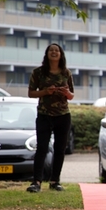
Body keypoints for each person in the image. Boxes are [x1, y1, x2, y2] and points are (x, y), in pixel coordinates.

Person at [27, 43, 74, 193]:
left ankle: (55, 181)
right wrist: (46, 92)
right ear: (47, 54)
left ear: (61, 54)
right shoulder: (38, 73)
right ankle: (36, 182)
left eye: (57, 50)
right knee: (42, 148)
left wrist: (66, 93)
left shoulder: (66, 73)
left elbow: (72, 95)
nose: (54, 52)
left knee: (60, 149)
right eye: (51, 50)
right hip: (44, 115)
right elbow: (31, 93)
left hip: (63, 115)